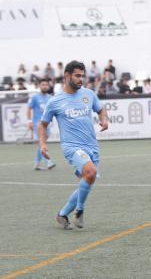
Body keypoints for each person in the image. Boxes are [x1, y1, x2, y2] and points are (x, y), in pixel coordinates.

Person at [38, 61, 108, 229]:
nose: (81, 79)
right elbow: (43, 125)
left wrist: (104, 120)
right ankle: (80, 211)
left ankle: (62, 215)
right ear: (67, 76)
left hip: (92, 146)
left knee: (87, 180)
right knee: (90, 172)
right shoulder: (55, 102)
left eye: (82, 76)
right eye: (77, 75)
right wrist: (42, 145)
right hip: (72, 147)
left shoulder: (88, 94)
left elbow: (100, 109)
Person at [27, 79, 56, 170]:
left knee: (41, 143)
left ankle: (37, 164)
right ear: (39, 86)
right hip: (37, 123)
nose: (45, 86)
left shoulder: (50, 97)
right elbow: (29, 109)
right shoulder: (34, 97)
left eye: (46, 84)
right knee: (41, 142)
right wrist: (29, 121)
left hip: (46, 123)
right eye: (43, 84)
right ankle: (48, 162)